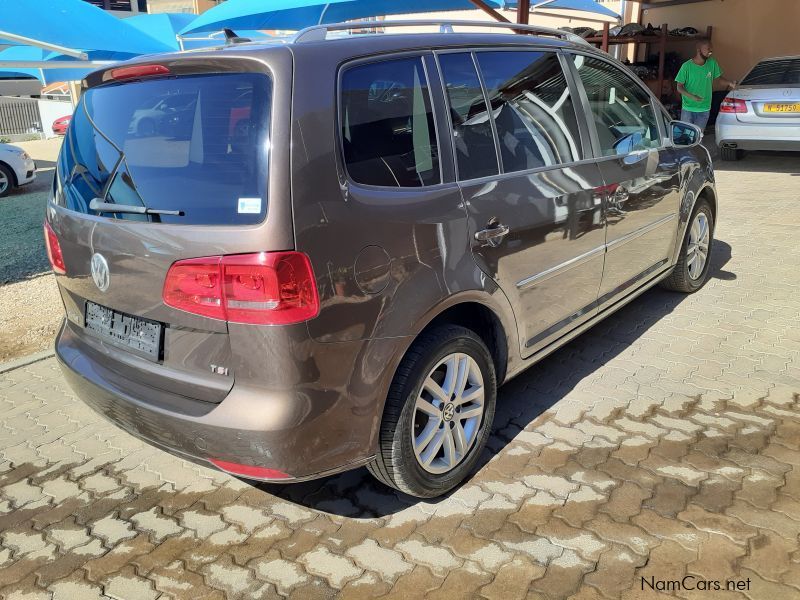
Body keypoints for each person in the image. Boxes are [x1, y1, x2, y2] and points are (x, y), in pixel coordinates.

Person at [675, 40, 737, 131]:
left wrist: (730, 83)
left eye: (711, 49)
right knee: (686, 137)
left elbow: (719, 79)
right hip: (688, 108)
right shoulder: (686, 66)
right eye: (708, 49)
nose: (710, 52)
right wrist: (692, 96)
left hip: (705, 108)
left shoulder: (712, 63)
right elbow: (679, 87)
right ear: (699, 50)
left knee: (697, 137)